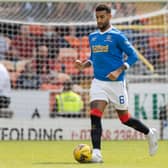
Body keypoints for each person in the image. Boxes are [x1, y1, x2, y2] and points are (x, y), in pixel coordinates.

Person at [75, 4, 158, 163]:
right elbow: (94, 57)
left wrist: (119, 70)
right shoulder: (92, 36)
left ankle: (149, 133)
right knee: (95, 115)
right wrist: (83, 65)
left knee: (125, 118)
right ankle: (97, 154)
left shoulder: (118, 36)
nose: (99, 20)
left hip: (116, 84)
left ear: (109, 16)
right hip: (99, 82)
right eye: (97, 17)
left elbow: (133, 56)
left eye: (102, 17)